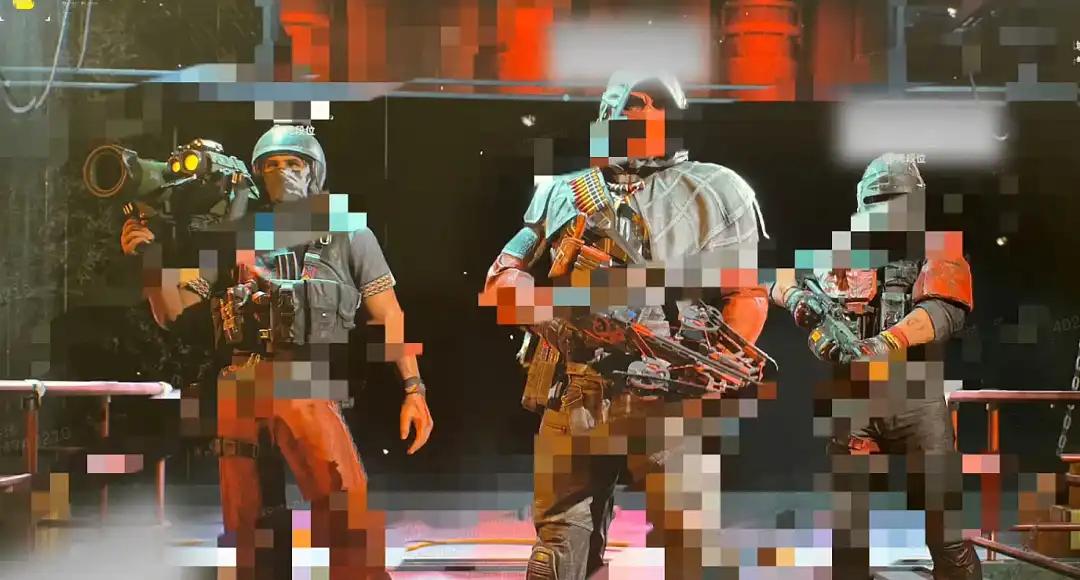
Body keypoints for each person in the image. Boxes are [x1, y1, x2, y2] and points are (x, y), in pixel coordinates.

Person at [482, 70, 771, 579]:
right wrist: (537, 309)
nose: (638, 113)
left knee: (689, 544)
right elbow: (503, 275)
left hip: (669, 393)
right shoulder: (563, 192)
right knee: (558, 547)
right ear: (603, 115)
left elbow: (745, 294)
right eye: (628, 103)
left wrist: (714, 367)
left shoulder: (717, 190)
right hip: (576, 388)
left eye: (651, 104)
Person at [120, 125, 433, 579]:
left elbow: (389, 314)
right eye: (269, 165)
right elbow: (174, 314)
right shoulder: (237, 236)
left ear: (314, 171)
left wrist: (414, 387)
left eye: (292, 163)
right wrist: (149, 259)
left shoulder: (346, 231)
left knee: (343, 509)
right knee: (249, 527)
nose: (280, 172)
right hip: (241, 387)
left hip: (302, 382)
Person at [768, 153, 982, 579]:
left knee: (945, 530)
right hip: (855, 402)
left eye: (894, 200)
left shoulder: (939, 250)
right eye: (876, 201)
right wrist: (796, 300)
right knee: (849, 531)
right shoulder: (841, 252)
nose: (885, 212)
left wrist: (884, 343)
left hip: (916, 398)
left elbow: (943, 312)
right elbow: (780, 277)